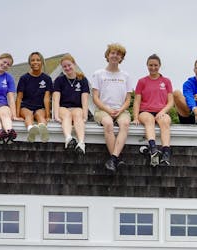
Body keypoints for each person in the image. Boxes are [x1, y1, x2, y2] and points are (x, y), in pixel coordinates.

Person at [91, 43, 135, 172]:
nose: (115, 56)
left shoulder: (126, 76)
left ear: (121, 58)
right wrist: (108, 110)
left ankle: (113, 159)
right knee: (108, 124)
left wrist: (120, 110)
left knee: (125, 124)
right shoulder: (98, 74)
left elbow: (128, 99)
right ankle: (116, 158)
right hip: (102, 110)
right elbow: (95, 98)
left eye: (118, 54)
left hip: (121, 110)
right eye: (113, 53)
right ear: (108, 55)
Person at [133, 54, 175, 167]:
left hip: (161, 111)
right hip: (145, 111)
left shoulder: (166, 81)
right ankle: (153, 148)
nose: (153, 67)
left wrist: (162, 112)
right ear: (147, 65)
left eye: (155, 65)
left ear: (160, 66)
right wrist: (135, 117)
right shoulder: (142, 81)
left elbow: (171, 101)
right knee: (149, 120)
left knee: (165, 122)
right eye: (150, 65)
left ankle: (166, 152)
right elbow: (136, 101)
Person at [51, 53, 89, 154]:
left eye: (69, 65)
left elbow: (84, 99)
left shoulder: (82, 80)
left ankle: (81, 143)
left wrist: (85, 116)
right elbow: (56, 98)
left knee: (77, 115)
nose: (67, 68)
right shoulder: (59, 80)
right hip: (63, 107)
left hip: (77, 107)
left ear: (74, 64)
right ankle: (68, 138)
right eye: (64, 66)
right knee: (67, 115)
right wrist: (56, 115)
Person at [16, 51, 51, 142]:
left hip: (40, 107)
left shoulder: (47, 79)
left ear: (42, 62)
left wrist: (48, 115)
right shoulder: (24, 78)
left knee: (40, 116)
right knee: (29, 115)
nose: (35, 62)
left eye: (38, 60)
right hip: (26, 106)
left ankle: (43, 131)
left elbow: (46, 98)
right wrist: (16, 115)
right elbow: (19, 98)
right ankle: (31, 129)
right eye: (33, 60)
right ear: (29, 63)